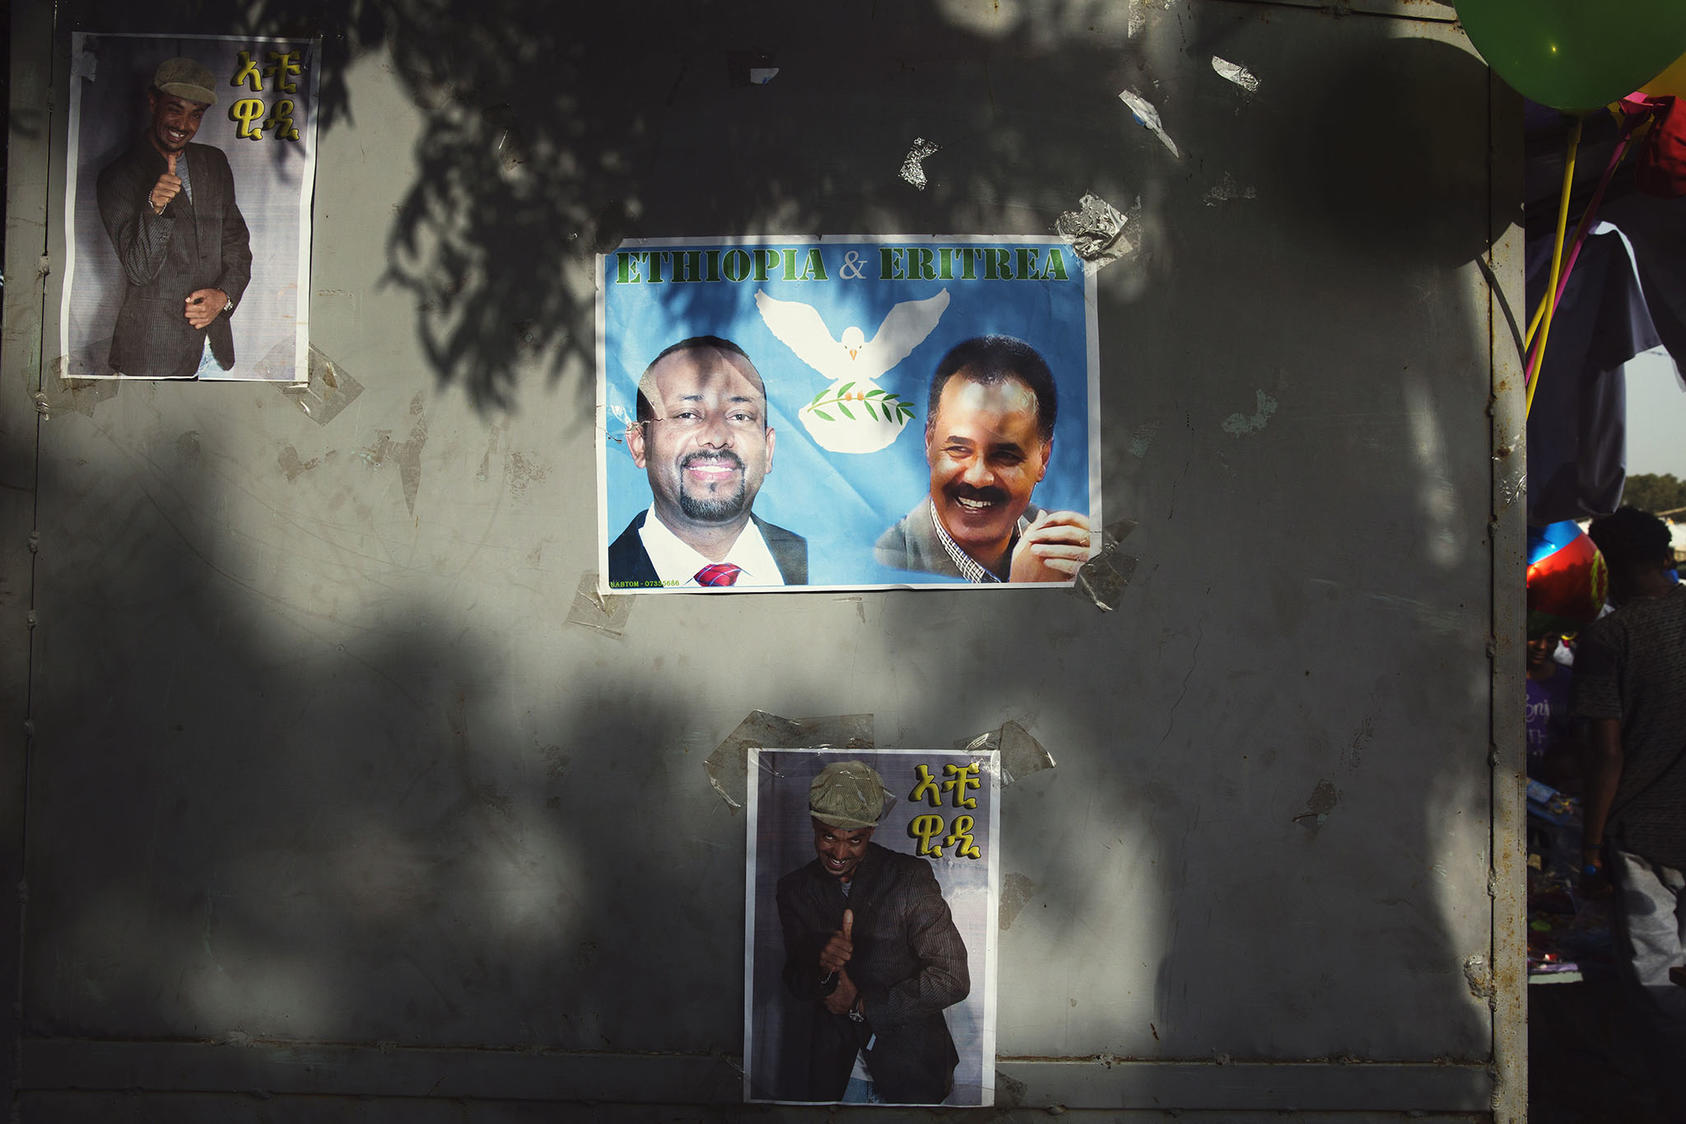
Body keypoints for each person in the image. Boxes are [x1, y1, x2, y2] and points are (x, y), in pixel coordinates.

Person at [1571, 506, 1686, 1118]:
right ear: (1665, 555)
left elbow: (1605, 753)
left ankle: (1675, 1097)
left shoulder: (1608, 638)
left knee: (1656, 986)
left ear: (1609, 564)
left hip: (1641, 836)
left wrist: (1589, 848)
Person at [775, 761, 968, 1104]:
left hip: (913, 1069)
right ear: (814, 825)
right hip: (835, 1074)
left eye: (855, 840)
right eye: (828, 836)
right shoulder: (794, 889)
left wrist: (863, 1005)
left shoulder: (909, 877)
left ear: (871, 832)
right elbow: (794, 979)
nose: (839, 853)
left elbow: (952, 977)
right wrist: (822, 970)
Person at [875, 335, 1091, 582]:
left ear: (1043, 459)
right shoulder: (884, 561)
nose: (978, 478)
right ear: (928, 442)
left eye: (1005, 456)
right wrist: (1023, 594)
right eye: (958, 449)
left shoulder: (1072, 549)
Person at [96, 57, 252, 379]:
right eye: (175, 109)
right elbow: (139, 270)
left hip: (215, 352)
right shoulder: (118, 177)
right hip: (152, 353)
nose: (183, 124)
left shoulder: (214, 163)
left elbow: (237, 246)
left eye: (195, 114)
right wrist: (155, 209)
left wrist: (224, 298)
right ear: (153, 102)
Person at [608, 337, 807, 589]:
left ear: (768, 449)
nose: (716, 437)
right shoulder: (604, 577)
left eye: (740, 416)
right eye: (687, 414)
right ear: (639, 444)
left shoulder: (824, 563)